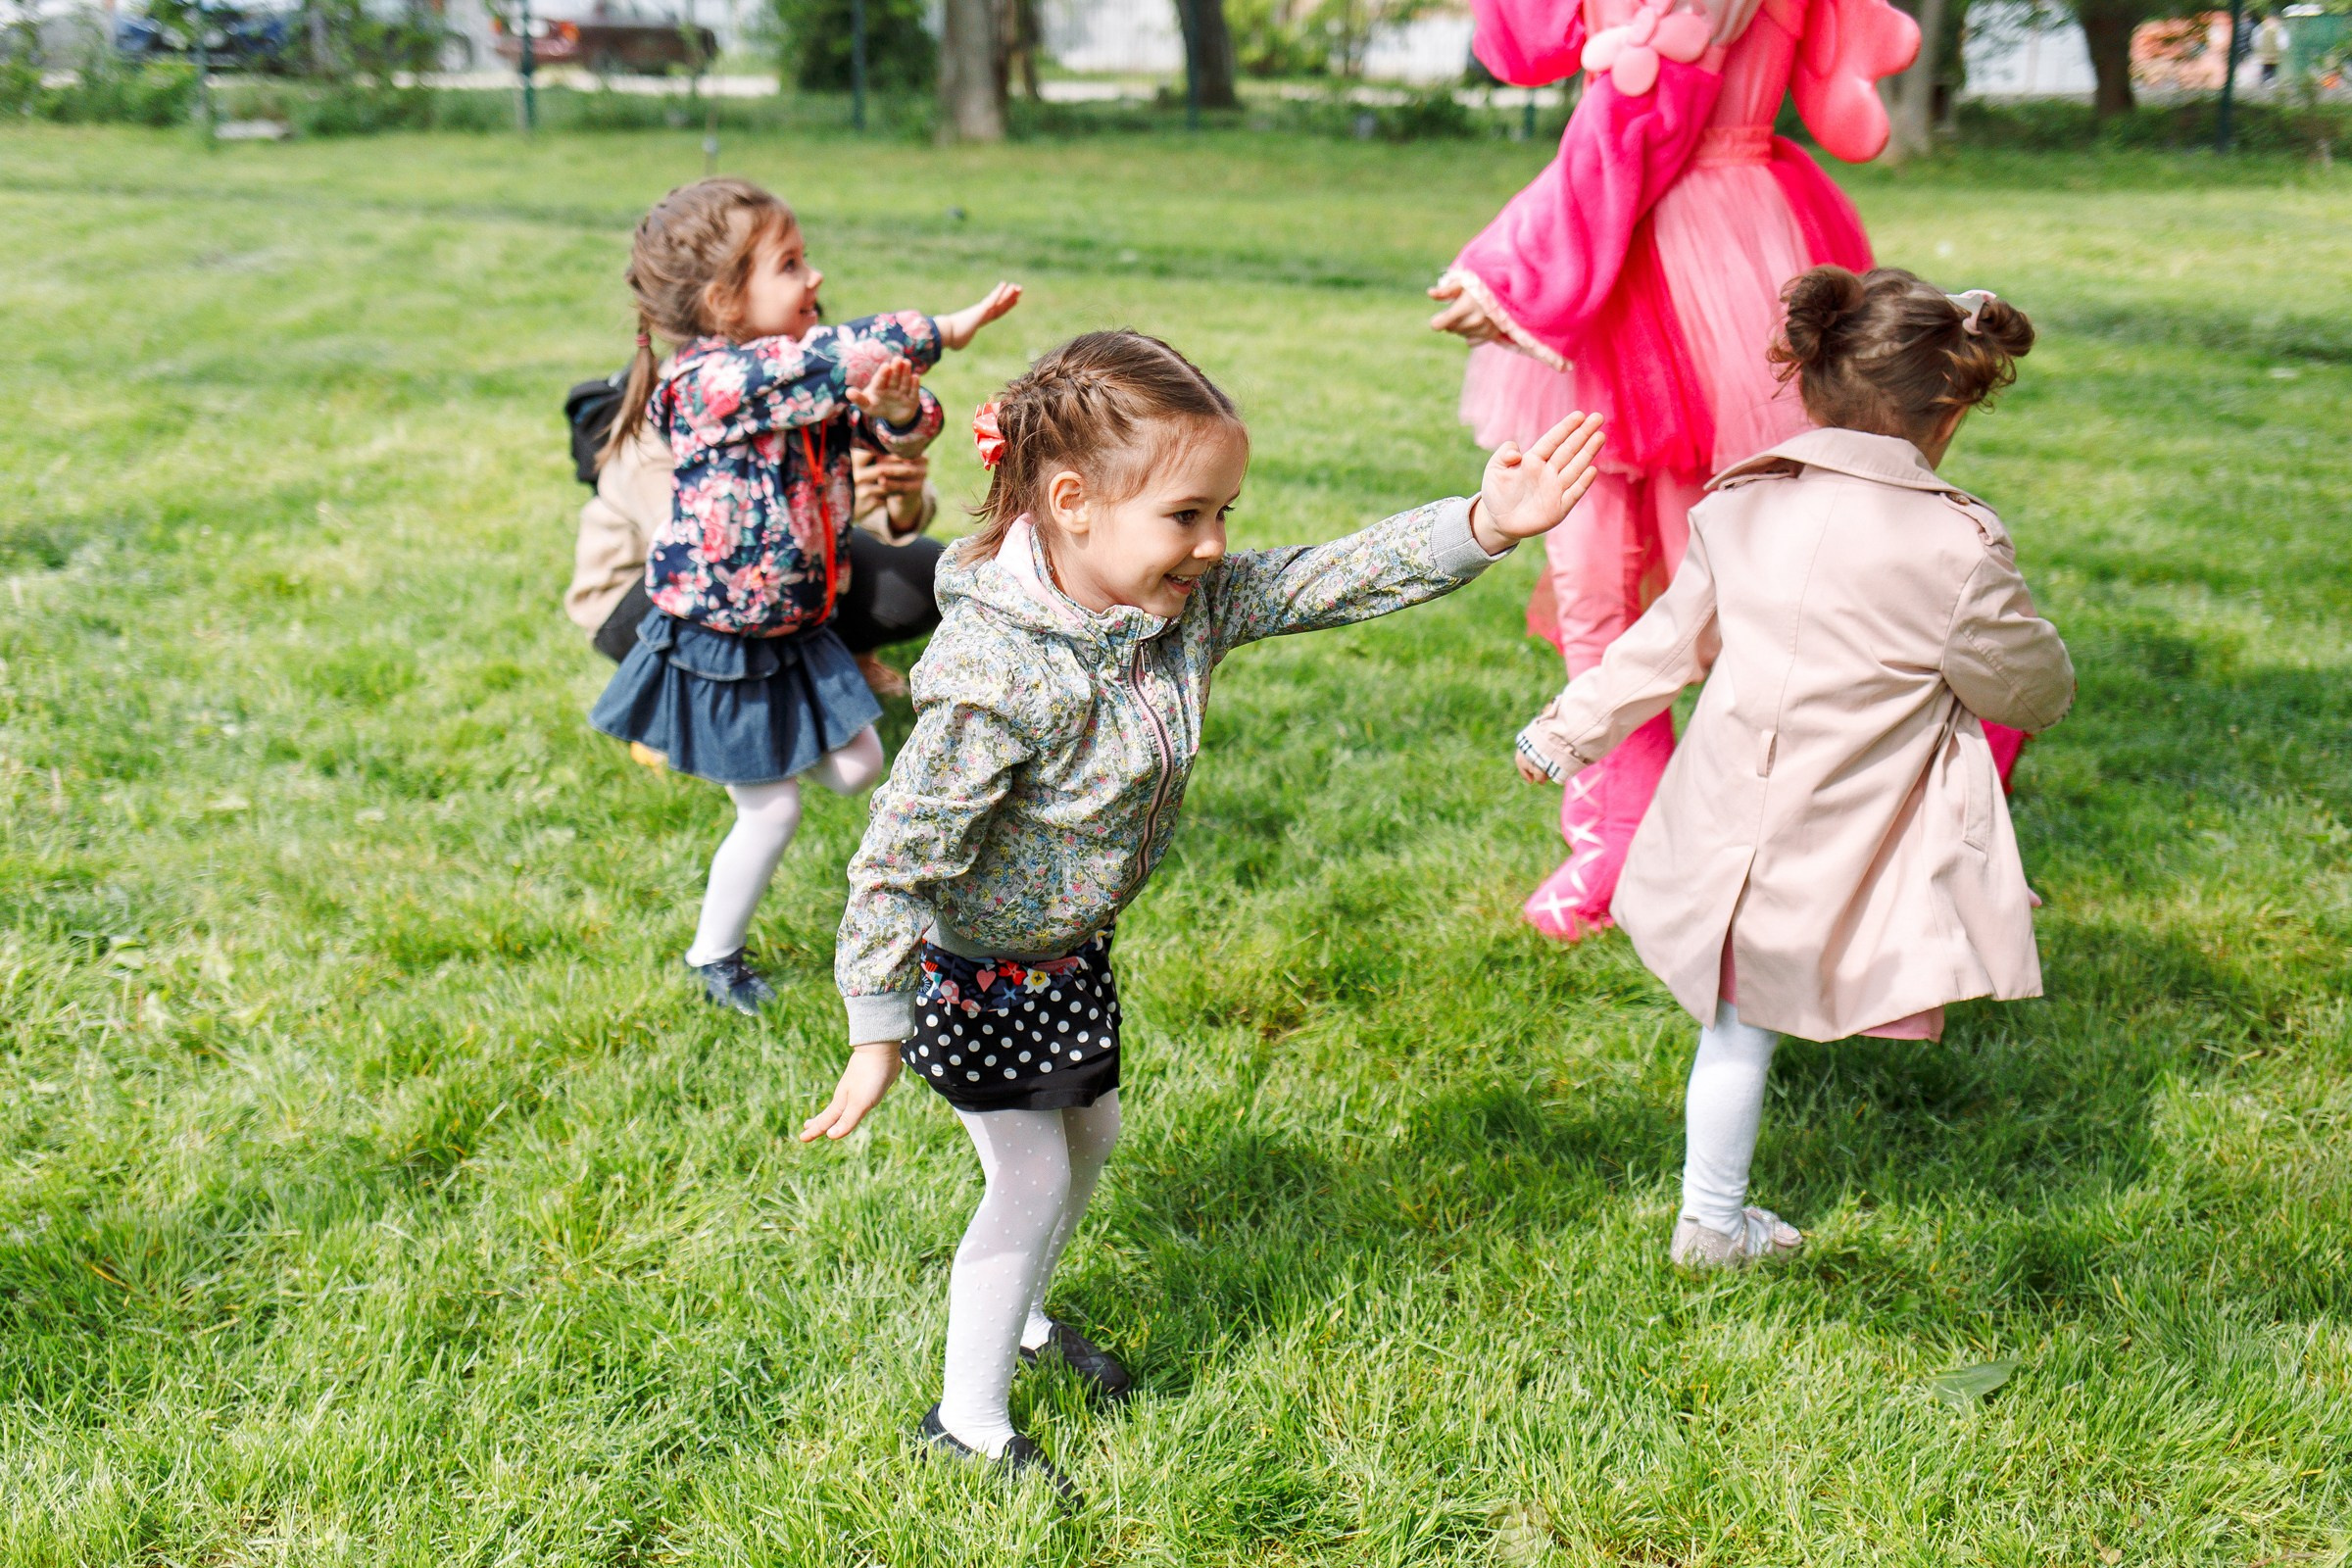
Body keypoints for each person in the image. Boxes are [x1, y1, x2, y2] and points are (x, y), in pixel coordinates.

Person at [801, 330, 1607, 1493]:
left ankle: (1022, 1319)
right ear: (1073, 503)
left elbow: (1322, 577)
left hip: (1070, 953)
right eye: (1188, 515)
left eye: (1225, 510)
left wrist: (1477, 524)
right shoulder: (999, 673)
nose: (1215, 542)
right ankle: (967, 1419)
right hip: (977, 969)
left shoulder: (1181, 605)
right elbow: (897, 854)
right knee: (1025, 1181)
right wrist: (877, 1023)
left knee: (1096, 1143)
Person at [1515, 268, 2073, 1268]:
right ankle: (1712, 1224)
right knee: (1802, 985)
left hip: (1734, 820)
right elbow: (2029, 689)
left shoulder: (1743, 508)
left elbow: (1661, 646)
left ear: (1810, 386)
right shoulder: (1958, 545)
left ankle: (1712, 1216)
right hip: (1855, 832)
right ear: (1946, 415)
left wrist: (1566, 729)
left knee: (1738, 1024)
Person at [1428, 0, 1961, 942]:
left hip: (1688, 258)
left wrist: (1515, 268)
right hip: (1642, 246)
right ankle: (1623, 844)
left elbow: (1650, 104)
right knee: (1608, 576)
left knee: (1733, 593)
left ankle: (1754, 849)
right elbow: (1525, 48)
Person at [585, 174, 1020, 1014]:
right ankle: (714, 958)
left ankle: (731, 758)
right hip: (725, 639)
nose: (813, 277)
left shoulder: (795, 377)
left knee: (859, 767)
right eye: (790, 264)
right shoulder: (709, 383)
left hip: (795, 626)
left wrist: (900, 410)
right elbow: (829, 360)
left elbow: (884, 415)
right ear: (722, 301)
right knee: (773, 811)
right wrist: (945, 330)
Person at [564, 395, 949, 702]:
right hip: (646, 598)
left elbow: (884, 522)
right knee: (746, 587)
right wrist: (828, 496)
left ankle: (833, 660)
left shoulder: (804, 399)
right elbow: (704, 559)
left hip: (771, 567)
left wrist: (901, 498)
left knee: (922, 572)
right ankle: (675, 705)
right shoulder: (667, 422)